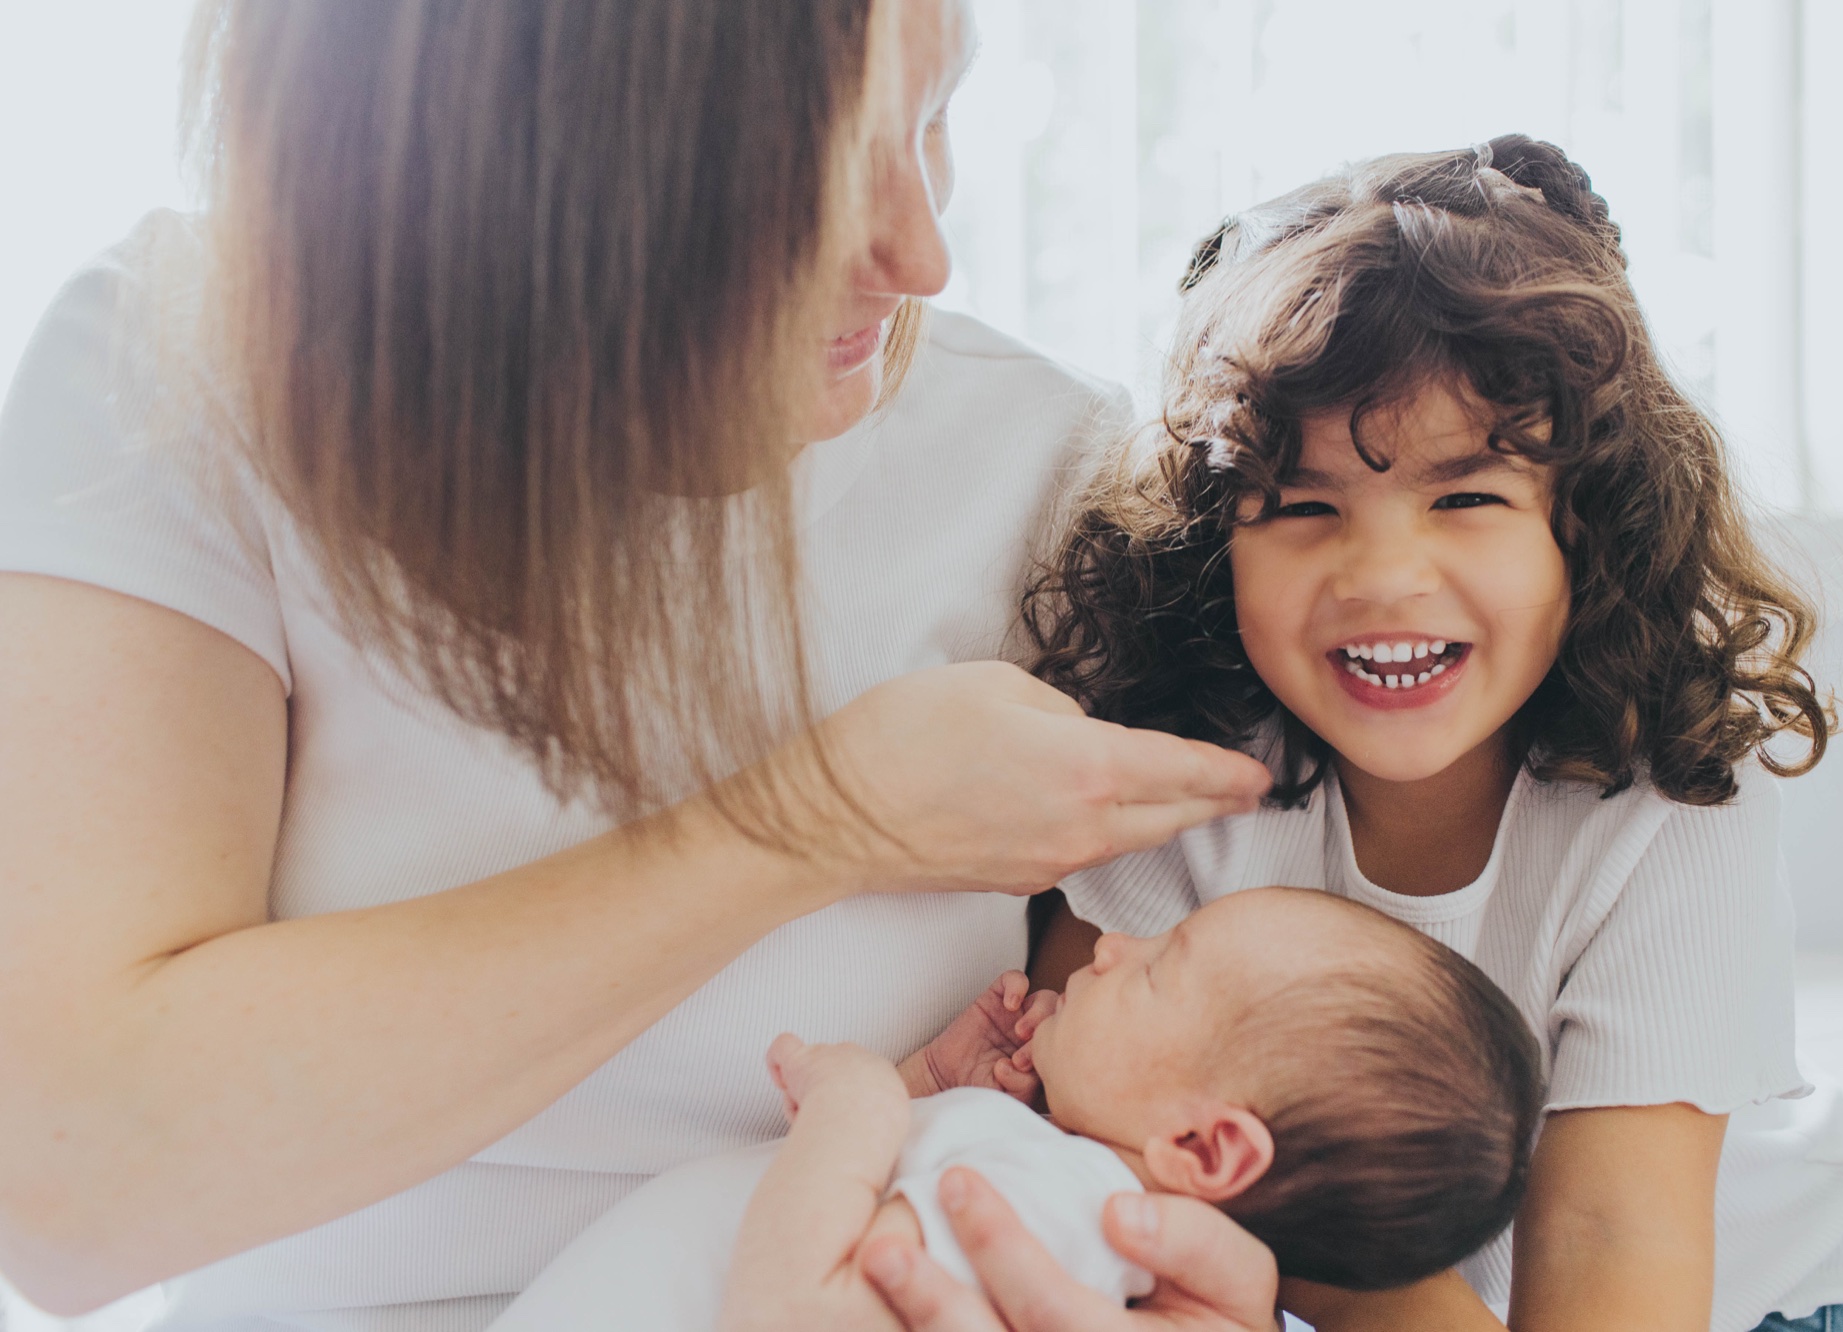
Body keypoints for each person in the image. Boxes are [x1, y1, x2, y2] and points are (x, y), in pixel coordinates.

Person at [0, 3, 1278, 1330]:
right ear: (504, 166)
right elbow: (66, 1186)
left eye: (936, 119)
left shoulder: (1045, 463)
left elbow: (1287, 1090)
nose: (923, 256)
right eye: (805, 181)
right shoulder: (177, 382)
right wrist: (814, 823)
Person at [1027, 139, 1843, 1332]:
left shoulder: (1667, 801)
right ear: (1211, 542)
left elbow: (1610, 1234)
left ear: (1584, 530)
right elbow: (1082, 1115)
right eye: (1298, 506)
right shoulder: (1166, 779)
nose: (1382, 578)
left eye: (1466, 497)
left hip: (1745, 1293)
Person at [518, 888, 1539, 1330]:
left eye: (1157, 971)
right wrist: (929, 1086)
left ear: (1200, 1144)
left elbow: (798, 1310)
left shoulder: (1055, 1208)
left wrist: (859, 1106)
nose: (1110, 947)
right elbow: (868, 1225)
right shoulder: (1056, 1201)